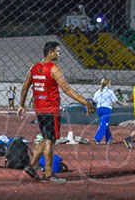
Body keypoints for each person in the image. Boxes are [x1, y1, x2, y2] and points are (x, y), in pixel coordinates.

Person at [17, 41, 95, 182]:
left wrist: (22, 105)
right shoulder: (54, 69)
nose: (59, 54)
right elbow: (67, 89)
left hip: (39, 109)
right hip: (51, 109)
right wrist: (85, 101)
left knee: (46, 137)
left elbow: (25, 86)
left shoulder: (34, 68)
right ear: (51, 52)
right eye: (58, 51)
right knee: (50, 141)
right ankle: (48, 174)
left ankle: (33, 166)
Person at [92, 78, 119, 144]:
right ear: (107, 84)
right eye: (109, 83)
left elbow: (94, 100)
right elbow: (115, 100)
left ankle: (109, 139)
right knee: (104, 124)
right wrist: (123, 104)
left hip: (99, 108)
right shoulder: (110, 91)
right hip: (106, 108)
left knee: (104, 123)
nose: (110, 84)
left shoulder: (98, 91)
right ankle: (97, 138)